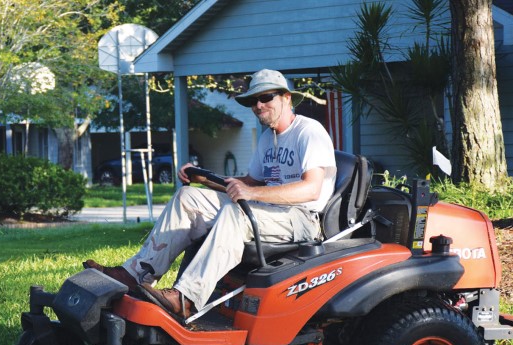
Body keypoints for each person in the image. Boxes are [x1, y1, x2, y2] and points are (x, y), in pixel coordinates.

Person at [84, 69, 337, 321]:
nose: (258, 105)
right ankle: (136, 274)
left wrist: (251, 192)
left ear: (287, 98)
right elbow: (250, 182)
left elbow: (311, 189)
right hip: (265, 208)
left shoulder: (309, 132)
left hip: (302, 218)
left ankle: (186, 298)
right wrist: (205, 179)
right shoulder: (267, 139)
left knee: (234, 212)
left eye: (266, 97)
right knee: (187, 197)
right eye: (252, 101)